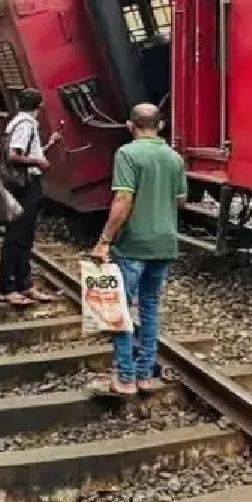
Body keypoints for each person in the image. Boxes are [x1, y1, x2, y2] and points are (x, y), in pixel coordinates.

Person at [89, 104, 186, 398]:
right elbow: (180, 200)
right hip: (165, 243)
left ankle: (125, 378)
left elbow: (123, 200)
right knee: (150, 308)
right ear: (161, 125)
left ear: (130, 126)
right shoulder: (174, 157)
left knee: (119, 309)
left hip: (133, 245)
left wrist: (105, 239)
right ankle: (144, 375)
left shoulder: (127, 154)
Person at [0, 88, 61, 306]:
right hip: (24, 186)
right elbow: (14, 155)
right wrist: (38, 162)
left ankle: (24, 285)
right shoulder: (26, 124)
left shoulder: (18, 122)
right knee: (17, 236)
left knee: (23, 236)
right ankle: (8, 287)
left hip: (24, 183)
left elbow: (25, 152)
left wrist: (48, 146)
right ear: (40, 105)